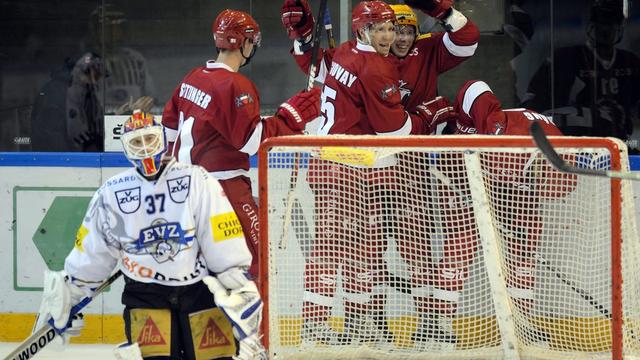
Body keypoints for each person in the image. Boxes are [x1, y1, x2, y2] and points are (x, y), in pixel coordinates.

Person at [33, 110, 266, 359]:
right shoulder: (111, 193)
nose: (144, 149)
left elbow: (221, 235)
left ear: (162, 139)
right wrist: (70, 294)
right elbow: (93, 251)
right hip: (145, 295)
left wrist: (236, 283)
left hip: (200, 293)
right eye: (136, 142)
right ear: (125, 148)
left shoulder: (197, 180)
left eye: (150, 139)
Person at [161, 9, 321, 277]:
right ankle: (248, 320)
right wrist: (291, 117)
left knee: (198, 265)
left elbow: (168, 126)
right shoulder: (236, 85)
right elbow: (251, 140)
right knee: (253, 261)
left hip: (182, 187)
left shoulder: (194, 76)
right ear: (244, 43)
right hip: (223, 188)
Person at [449, 80, 574, 344]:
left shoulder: (562, 165)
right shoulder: (507, 138)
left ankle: (521, 322)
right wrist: (485, 202)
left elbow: (544, 186)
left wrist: (516, 206)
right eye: (543, 176)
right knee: (461, 243)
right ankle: (437, 323)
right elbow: (474, 87)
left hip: (510, 183)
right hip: (465, 165)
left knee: (526, 243)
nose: (543, 184)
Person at [282, 0, 479, 116]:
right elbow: (314, 67)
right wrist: (304, 37)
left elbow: (467, 41)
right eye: (396, 31)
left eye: (409, 32)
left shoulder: (427, 49)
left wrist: (443, 12)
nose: (402, 39)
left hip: (417, 148)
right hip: (378, 147)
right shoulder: (361, 55)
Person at [524, 1, 640, 152]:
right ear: (592, 25)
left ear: (619, 27)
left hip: (622, 144)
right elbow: (533, 103)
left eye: (611, 23)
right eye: (601, 22)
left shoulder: (630, 62)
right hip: (578, 145)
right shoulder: (565, 59)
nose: (606, 29)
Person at [30, 52, 105, 151]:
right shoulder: (58, 92)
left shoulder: (85, 91)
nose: (97, 81)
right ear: (84, 72)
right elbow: (53, 135)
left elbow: (93, 121)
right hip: (59, 159)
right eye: (96, 75)